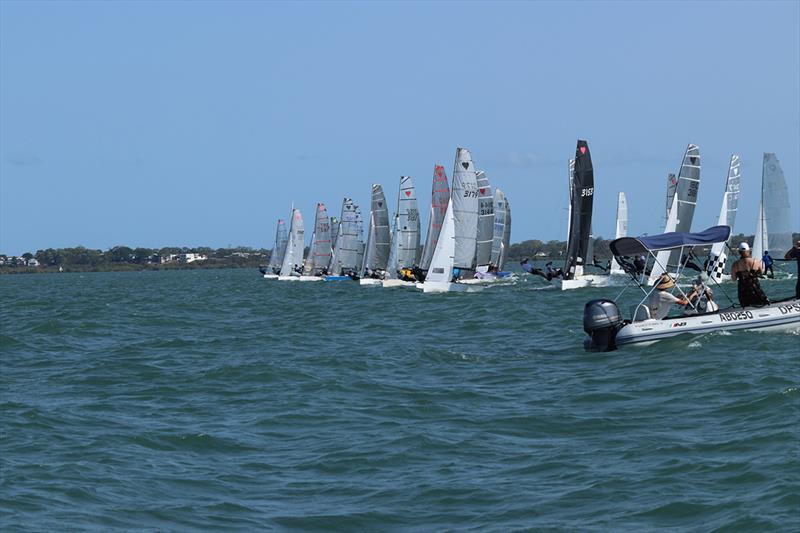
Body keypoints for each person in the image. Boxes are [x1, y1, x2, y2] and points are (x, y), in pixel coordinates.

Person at [731, 242, 768, 307]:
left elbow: (734, 279)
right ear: (749, 251)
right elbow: (761, 273)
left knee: (745, 307)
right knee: (761, 305)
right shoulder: (755, 261)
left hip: (743, 291)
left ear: (739, 252)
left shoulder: (735, 264)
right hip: (755, 289)